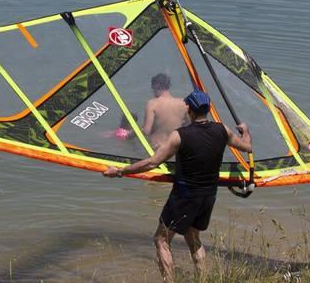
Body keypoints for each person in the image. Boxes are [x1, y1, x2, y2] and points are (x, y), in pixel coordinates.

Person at [104, 90, 252, 283]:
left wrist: (119, 171)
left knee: (161, 239)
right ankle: (203, 280)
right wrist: (246, 131)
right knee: (193, 237)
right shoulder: (222, 130)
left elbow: (152, 163)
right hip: (209, 195)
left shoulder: (180, 136)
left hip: (185, 195)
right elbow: (247, 147)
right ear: (208, 109)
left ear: (189, 110)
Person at [142, 73, 189, 149]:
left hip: (157, 148)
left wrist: (132, 133)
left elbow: (146, 131)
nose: (152, 90)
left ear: (157, 86)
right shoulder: (183, 103)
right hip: (175, 148)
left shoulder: (152, 104)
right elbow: (189, 126)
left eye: (152, 87)